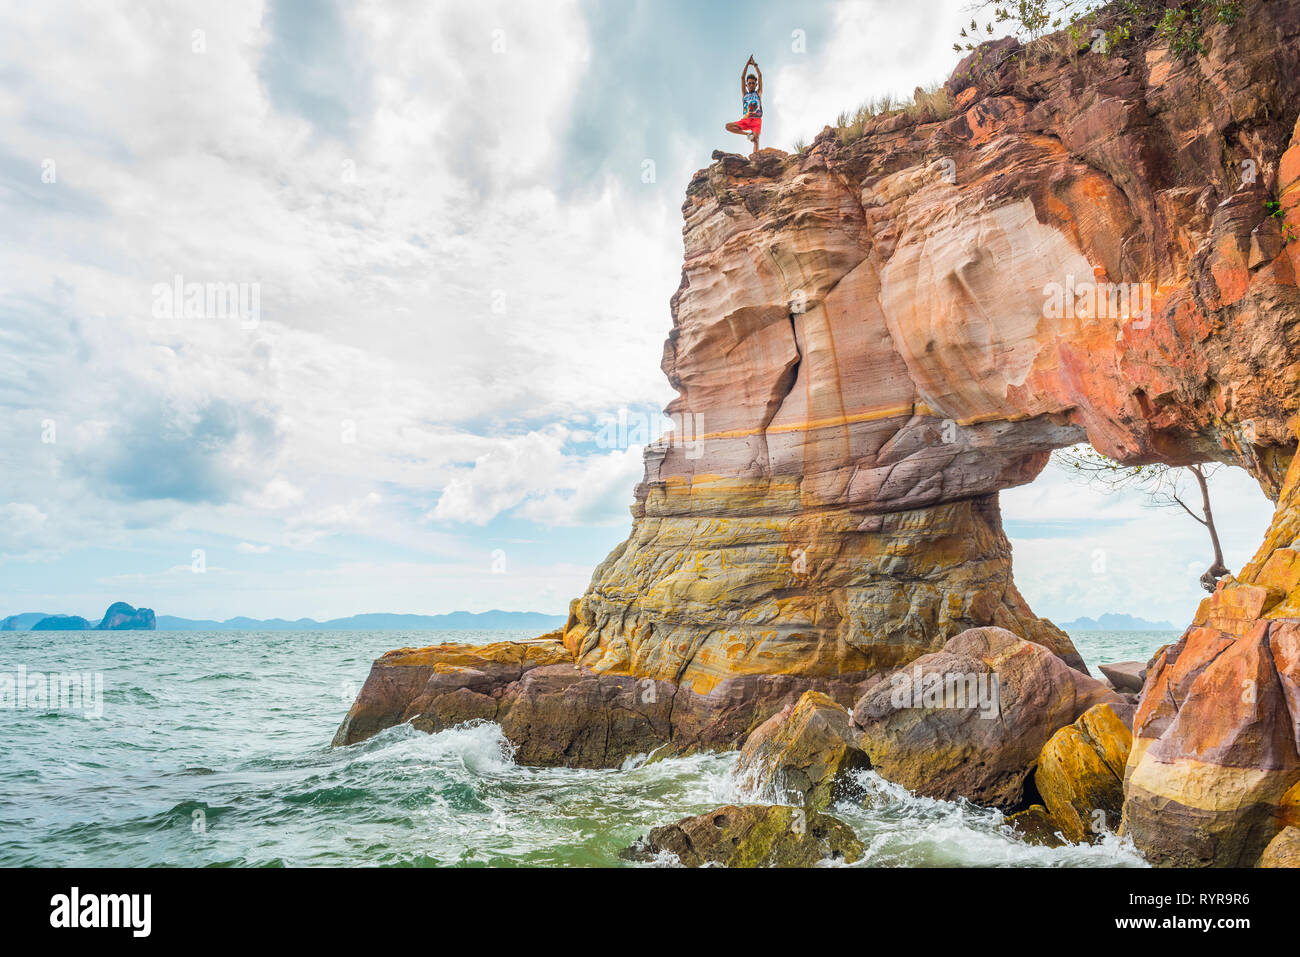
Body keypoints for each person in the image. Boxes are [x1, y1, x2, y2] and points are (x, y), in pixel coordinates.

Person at [725, 55, 763, 157]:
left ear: (756, 85)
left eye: (753, 83)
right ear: (747, 85)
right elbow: (742, 78)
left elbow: (760, 76)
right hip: (746, 119)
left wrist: (754, 65)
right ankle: (748, 135)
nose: (751, 85)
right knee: (728, 126)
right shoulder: (744, 94)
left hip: (756, 120)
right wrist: (747, 64)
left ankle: (755, 157)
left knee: (756, 139)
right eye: (749, 83)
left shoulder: (758, 93)